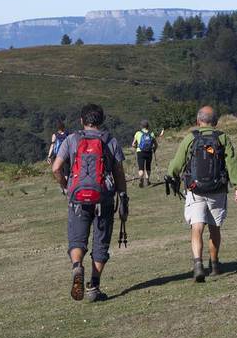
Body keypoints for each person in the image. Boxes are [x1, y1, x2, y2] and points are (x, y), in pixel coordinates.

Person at [52, 104, 128, 302]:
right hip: (104, 197)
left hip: (77, 197)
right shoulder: (110, 140)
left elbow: (56, 168)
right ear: (101, 120)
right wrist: (123, 195)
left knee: (77, 240)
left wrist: (66, 187)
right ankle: (93, 287)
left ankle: (77, 267)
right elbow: (119, 172)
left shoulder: (72, 140)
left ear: (81, 121)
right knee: (101, 242)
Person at [167, 106, 237, 283]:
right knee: (214, 228)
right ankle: (215, 265)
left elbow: (177, 163)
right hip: (217, 190)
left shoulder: (190, 138)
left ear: (198, 121)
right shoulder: (222, 138)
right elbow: (231, 163)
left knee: (197, 227)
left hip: (195, 190)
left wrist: (171, 175)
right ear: (215, 122)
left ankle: (198, 265)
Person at [131, 119, 157, 188]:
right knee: (148, 167)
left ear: (141, 126)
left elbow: (133, 144)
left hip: (140, 152)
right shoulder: (151, 134)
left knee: (141, 168)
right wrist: (154, 149)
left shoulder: (138, 133)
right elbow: (155, 144)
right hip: (149, 152)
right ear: (148, 126)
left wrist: (136, 147)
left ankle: (141, 179)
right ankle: (147, 181)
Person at [47, 122, 70, 192]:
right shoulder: (68, 134)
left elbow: (52, 145)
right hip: (66, 155)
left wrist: (49, 156)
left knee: (59, 171)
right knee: (66, 172)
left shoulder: (55, 135)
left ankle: (63, 187)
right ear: (64, 127)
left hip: (57, 156)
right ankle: (67, 187)